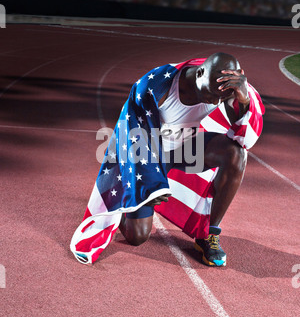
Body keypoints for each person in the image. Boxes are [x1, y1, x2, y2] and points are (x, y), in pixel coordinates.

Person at [70, 52, 264, 266]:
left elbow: (246, 138)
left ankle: (210, 233)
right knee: (138, 237)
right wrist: (148, 185)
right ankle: (126, 205)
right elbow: (135, 138)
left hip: (186, 151)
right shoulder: (157, 85)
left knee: (236, 154)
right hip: (148, 153)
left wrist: (243, 100)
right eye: (211, 96)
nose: (215, 102)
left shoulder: (225, 87)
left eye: (220, 98)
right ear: (200, 73)